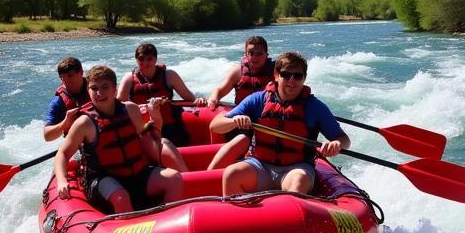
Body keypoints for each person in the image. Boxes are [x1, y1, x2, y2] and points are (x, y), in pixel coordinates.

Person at [208, 50, 350, 197]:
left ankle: (290, 216)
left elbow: (344, 139)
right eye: (286, 75)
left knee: (298, 181)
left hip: (296, 168)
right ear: (276, 75)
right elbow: (215, 125)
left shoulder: (315, 107)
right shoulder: (258, 100)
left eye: (297, 76)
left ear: (304, 78)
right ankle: (238, 218)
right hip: (261, 165)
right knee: (232, 174)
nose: (291, 80)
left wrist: (336, 144)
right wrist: (233, 121)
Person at [54, 65, 181, 213]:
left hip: (137, 174)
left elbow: (144, 140)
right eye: (94, 88)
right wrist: (61, 180)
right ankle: (129, 230)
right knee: (121, 197)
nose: (99, 93)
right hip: (104, 179)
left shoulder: (131, 110)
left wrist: (156, 159)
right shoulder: (84, 123)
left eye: (105, 87)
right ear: (88, 91)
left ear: (115, 89)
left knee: (174, 179)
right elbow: (62, 154)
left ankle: (168, 221)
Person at [117, 42, 206, 169]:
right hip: (143, 130)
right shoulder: (129, 79)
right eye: (141, 59)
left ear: (155, 59)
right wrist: (139, 107)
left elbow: (189, 98)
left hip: (170, 128)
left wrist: (199, 101)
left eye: (149, 59)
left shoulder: (169, 75)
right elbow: (118, 106)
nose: (145, 63)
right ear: (136, 60)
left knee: (178, 139)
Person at [205, 36, 274, 170]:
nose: (254, 56)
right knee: (241, 139)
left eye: (259, 53)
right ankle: (210, 175)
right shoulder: (238, 71)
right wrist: (214, 97)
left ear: (267, 55)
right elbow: (220, 89)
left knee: (244, 140)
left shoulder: (276, 73)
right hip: (241, 119)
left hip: (266, 121)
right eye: (251, 53)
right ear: (245, 54)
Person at [42, 56, 90, 142]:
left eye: (70, 75)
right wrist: (65, 123)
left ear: (81, 73)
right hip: (78, 144)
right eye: (62, 77)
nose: (65, 80)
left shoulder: (97, 89)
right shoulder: (58, 102)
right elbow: (47, 136)